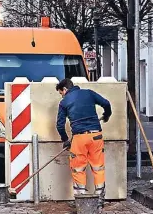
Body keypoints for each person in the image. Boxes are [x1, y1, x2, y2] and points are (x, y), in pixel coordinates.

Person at [55, 78, 112, 208]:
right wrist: (107, 115)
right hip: (96, 136)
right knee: (98, 167)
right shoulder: (89, 93)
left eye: (61, 93)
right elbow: (106, 103)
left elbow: (59, 125)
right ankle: (99, 200)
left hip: (79, 138)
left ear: (65, 89)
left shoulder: (64, 102)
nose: (61, 95)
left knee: (78, 169)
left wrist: (65, 140)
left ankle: (82, 201)